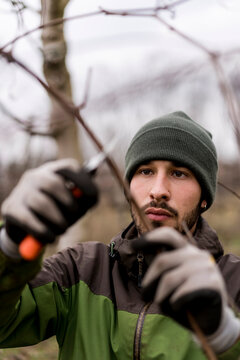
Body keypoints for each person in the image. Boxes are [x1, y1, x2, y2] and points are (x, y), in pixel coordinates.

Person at [0, 111, 240, 360]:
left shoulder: (234, 283)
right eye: (146, 171)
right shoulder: (80, 270)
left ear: (204, 199)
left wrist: (225, 335)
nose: (158, 191)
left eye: (179, 173)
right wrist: (9, 245)